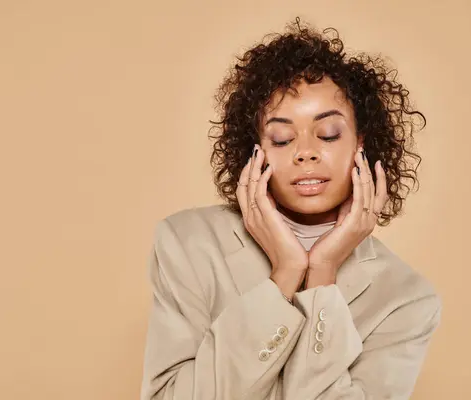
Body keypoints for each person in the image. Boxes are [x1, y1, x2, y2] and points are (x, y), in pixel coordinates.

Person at [140, 18, 441, 400]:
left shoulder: (406, 299)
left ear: (360, 141)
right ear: (256, 150)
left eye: (328, 133)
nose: (306, 151)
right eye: (281, 138)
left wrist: (323, 274)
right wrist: (285, 274)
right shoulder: (188, 243)